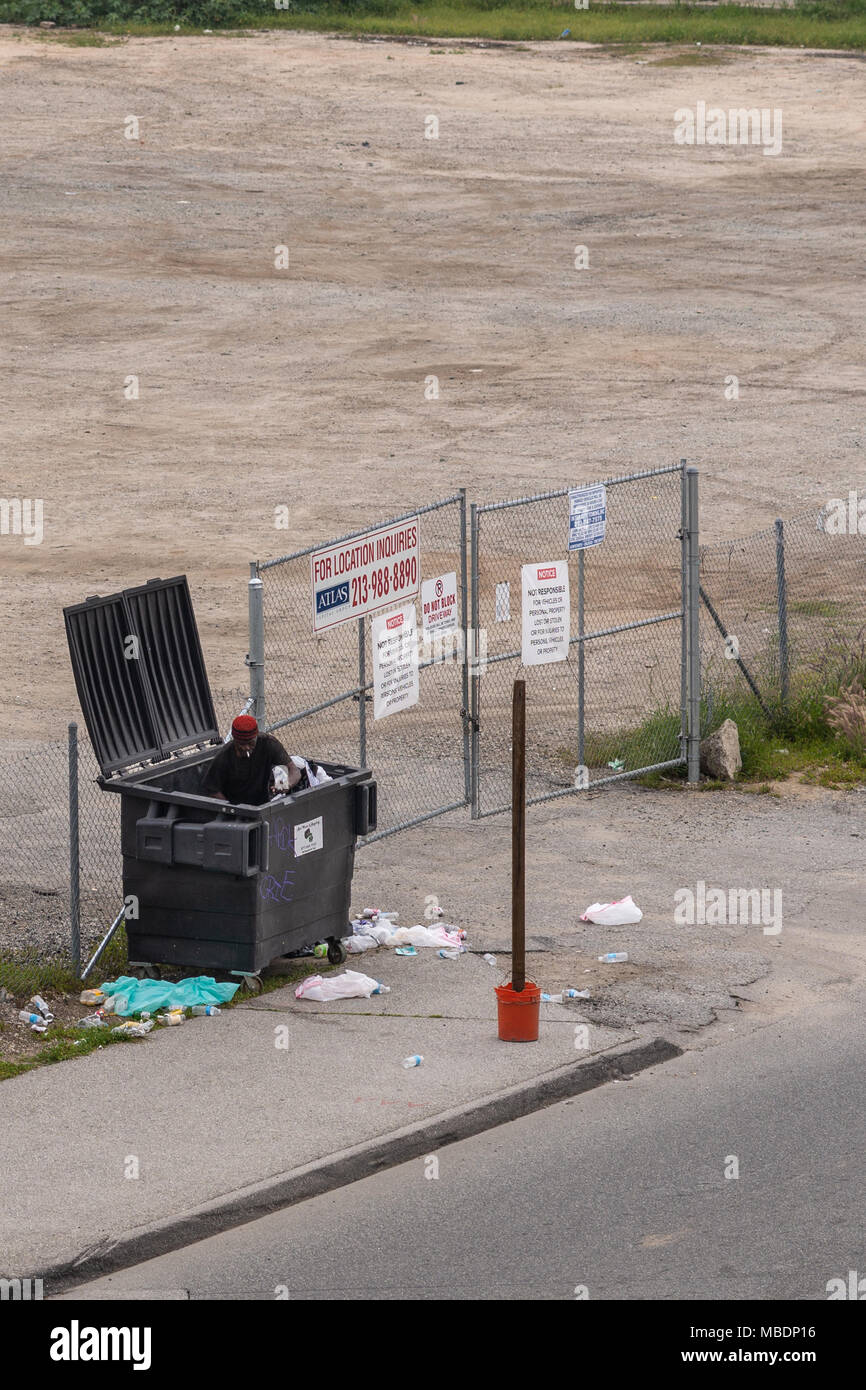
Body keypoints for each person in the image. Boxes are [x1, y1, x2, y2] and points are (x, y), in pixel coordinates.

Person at [203, 715, 298, 805]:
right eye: (241, 744)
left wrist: (287, 784)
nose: (246, 748)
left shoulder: (268, 744)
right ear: (234, 739)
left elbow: (294, 771)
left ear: (256, 736)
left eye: (251, 743)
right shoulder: (225, 756)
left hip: (264, 802)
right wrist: (231, 810)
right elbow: (212, 789)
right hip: (237, 806)